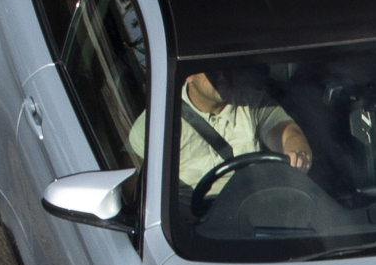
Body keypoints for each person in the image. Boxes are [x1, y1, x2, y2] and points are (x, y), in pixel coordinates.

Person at [130, 70, 312, 190]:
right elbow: (138, 186)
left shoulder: (252, 102)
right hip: (188, 227)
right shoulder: (156, 122)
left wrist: (295, 152)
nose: (224, 75)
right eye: (212, 70)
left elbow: (287, 131)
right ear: (189, 75)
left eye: (227, 66)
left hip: (252, 211)